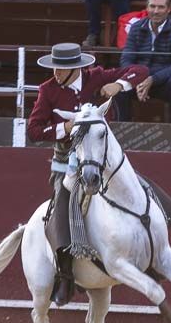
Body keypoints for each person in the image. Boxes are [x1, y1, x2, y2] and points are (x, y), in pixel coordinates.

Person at [28, 42, 149, 305]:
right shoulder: (48, 90)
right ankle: (65, 275)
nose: (56, 73)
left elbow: (139, 70)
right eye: (55, 68)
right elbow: (34, 130)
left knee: (139, 187)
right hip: (67, 165)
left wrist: (119, 86)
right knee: (62, 206)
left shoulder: (96, 78)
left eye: (62, 69)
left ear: (76, 69)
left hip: (103, 160)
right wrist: (66, 128)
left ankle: (158, 241)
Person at [115, 0, 171, 124]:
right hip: (138, 79)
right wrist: (137, 79)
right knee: (119, 85)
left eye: (161, 7)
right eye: (152, 6)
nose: (156, 11)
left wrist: (152, 79)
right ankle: (121, 132)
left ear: (169, 9)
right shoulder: (136, 27)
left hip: (163, 81)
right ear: (146, 7)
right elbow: (126, 60)